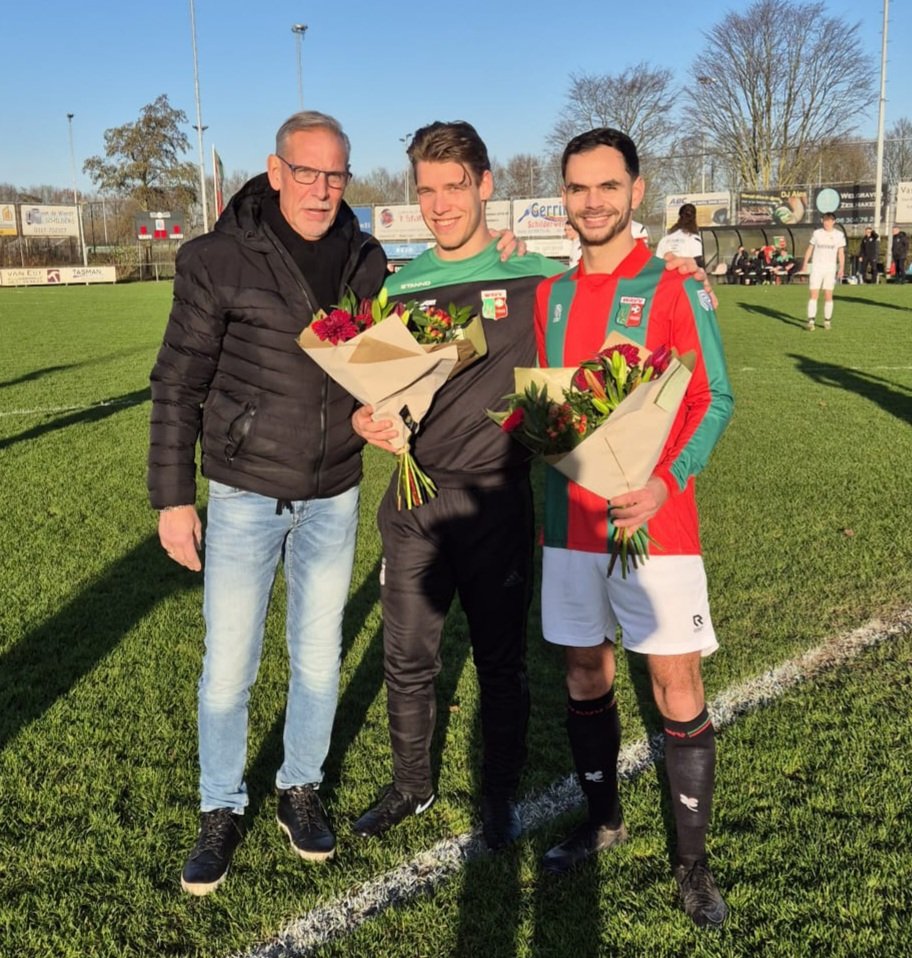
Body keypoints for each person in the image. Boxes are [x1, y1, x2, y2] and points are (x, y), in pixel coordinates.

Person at [148, 111, 389, 896]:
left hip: (335, 492)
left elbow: (382, 365)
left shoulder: (364, 257)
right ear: (275, 170)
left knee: (318, 661)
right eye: (307, 172)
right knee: (229, 668)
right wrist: (174, 498)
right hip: (246, 492)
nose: (322, 190)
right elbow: (178, 381)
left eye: (336, 175)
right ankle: (220, 807)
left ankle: (299, 789)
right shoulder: (216, 258)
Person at [533, 128, 733, 928]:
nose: (592, 203)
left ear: (636, 191)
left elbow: (713, 399)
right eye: (578, 189)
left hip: (659, 518)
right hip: (567, 523)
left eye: (606, 187)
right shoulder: (547, 294)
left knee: (674, 682)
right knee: (585, 673)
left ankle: (692, 865)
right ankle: (602, 819)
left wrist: (663, 482)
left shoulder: (676, 287)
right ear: (564, 197)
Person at [350, 121, 565, 851]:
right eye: (426, 190)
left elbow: (615, 304)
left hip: (499, 500)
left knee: (502, 661)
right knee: (407, 658)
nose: (439, 204)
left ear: (485, 185)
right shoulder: (399, 287)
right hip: (414, 502)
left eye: (453, 186)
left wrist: (681, 280)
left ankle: (500, 794)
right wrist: (367, 418)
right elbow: (374, 389)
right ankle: (412, 786)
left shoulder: (537, 277)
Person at [800, 212, 845, 330]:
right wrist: (804, 264)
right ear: (822, 221)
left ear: (834, 222)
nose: (827, 223)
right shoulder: (817, 233)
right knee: (814, 294)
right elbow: (810, 249)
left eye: (829, 220)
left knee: (828, 295)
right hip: (817, 268)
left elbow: (841, 253)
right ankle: (811, 321)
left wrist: (841, 267)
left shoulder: (839, 235)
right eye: (825, 220)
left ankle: (827, 321)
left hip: (830, 269)